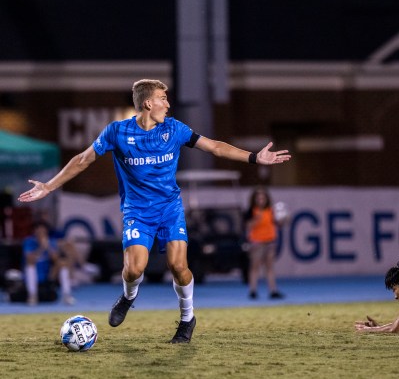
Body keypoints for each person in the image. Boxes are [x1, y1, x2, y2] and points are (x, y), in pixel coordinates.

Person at [18, 79, 291, 343]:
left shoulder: (175, 129)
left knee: (178, 266)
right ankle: (128, 296)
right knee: (134, 269)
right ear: (148, 103)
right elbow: (83, 160)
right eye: (163, 98)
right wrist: (50, 186)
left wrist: (255, 157)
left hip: (170, 209)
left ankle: (187, 319)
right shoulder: (117, 132)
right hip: (137, 212)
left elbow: (216, 147)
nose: (168, 104)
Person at [245, 186, 286, 300]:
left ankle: (273, 290)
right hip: (257, 242)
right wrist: (256, 220)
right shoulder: (251, 211)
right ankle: (253, 290)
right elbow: (247, 225)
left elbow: (279, 224)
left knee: (269, 266)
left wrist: (284, 218)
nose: (261, 200)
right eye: (259, 198)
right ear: (255, 199)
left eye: (263, 198)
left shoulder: (271, 211)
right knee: (255, 266)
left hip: (270, 241)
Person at [22, 221, 75, 305]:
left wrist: (48, 247)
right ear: (34, 231)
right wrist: (41, 248)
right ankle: (32, 295)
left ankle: (66, 295)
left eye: (43, 231)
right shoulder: (29, 242)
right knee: (30, 265)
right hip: (34, 279)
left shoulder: (51, 242)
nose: (41, 233)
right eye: (39, 231)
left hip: (47, 277)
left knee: (62, 263)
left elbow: (56, 260)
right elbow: (30, 259)